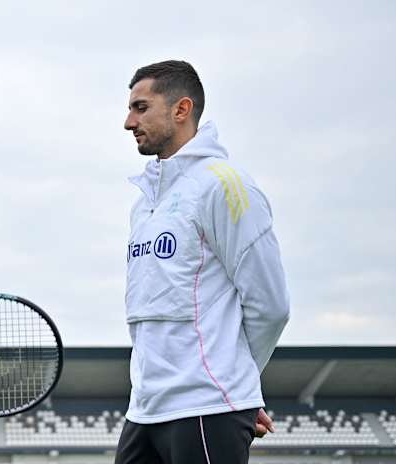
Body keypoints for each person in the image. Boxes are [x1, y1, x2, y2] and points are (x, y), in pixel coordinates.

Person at [115, 60, 290, 464]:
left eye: (141, 107)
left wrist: (236, 387)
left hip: (206, 408)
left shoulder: (225, 185)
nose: (128, 121)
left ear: (181, 110)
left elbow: (271, 306)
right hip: (144, 410)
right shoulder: (144, 205)